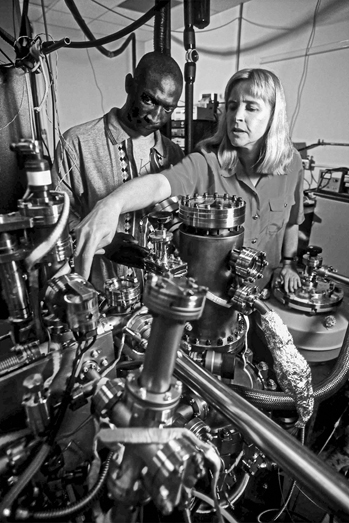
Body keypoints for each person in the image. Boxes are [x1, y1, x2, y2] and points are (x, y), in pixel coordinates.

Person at [74, 68, 304, 294]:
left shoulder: (292, 163)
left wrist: (288, 264)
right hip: (216, 296)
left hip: (266, 290)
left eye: (251, 107)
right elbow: (159, 184)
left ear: (274, 115)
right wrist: (111, 204)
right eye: (232, 106)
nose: (237, 116)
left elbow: (292, 222)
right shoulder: (207, 162)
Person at [51, 51, 184, 291]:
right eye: (149, 99)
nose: (155, 116)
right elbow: (58, 218)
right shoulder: (77, 143)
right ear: (129, 85)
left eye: (168, 108)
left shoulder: (174, 155)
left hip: (159, 297)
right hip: (100, 295)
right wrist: (102, 240)